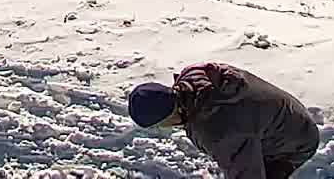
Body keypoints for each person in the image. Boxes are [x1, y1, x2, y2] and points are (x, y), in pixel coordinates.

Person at [126, 62, 321, 179]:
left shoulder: (216, 129)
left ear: (168, 116)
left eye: (159, 126)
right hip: (291, 115)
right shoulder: (195, 75)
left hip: (295, 143)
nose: (162, 129)